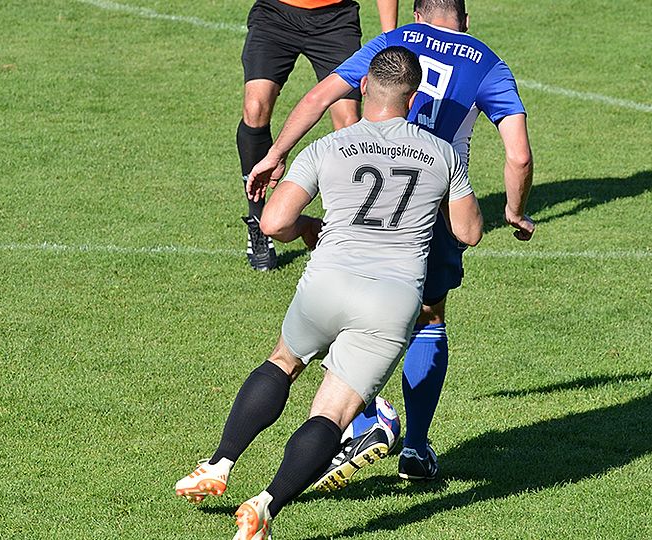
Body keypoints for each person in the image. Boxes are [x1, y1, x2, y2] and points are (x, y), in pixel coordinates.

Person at [175, 47, 483, 539]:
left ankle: (219, 464)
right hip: (392, 301)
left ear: (363, 88)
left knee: (283, 363)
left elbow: (273, 223)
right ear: (413, 98)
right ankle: (266, 505)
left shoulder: (328, 147)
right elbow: (468, 232)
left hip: (327, 283)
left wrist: (306, 228)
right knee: (333, 415)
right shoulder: (441, 153)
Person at [247, 0, 534, 486]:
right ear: (465, 21)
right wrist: (514, 209)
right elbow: (519, 155)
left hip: (368, 187)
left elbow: (320, 96)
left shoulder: (395, 43)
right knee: (429, 316)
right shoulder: (488, 63)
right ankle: (415, 448)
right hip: (435, 200)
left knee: (344, 305)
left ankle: (364, 420)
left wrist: (276, 154)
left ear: (418, 15)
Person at [237, 0, 400, 271]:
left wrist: (390, 39)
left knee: (349, 123)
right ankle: (258, 220)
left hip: (336, 20)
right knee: (255, 108)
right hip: (275, 15)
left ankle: (352, 231)